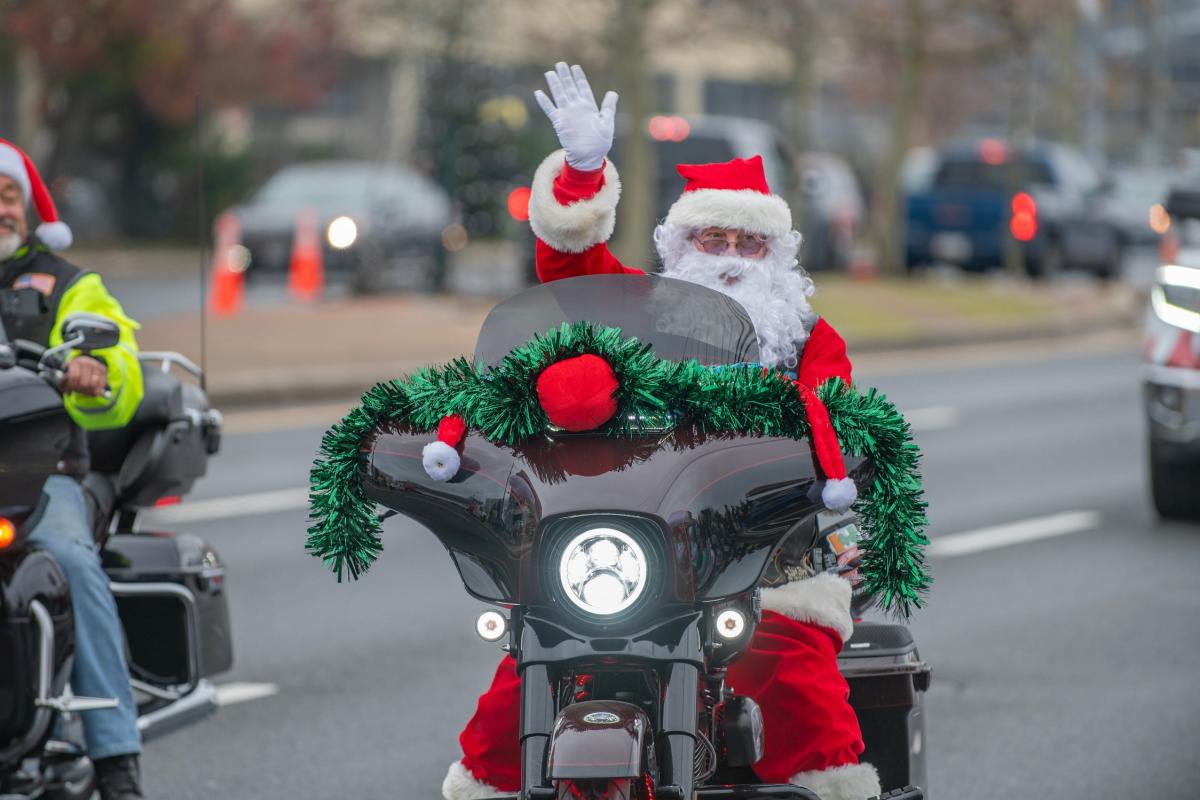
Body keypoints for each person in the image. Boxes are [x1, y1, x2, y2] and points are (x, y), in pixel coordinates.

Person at [440, 65, 880, 800]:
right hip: (621, 556)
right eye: (714, 238)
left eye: (748, 244)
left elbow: (832, 419)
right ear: (682, 246)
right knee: (518, 684)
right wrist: (583, 175)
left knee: (798, 675)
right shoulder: (637, 314)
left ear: (774, 258)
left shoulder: (806, 340)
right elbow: (569, 268)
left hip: (760, 567)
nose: (731, 259)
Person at [0, 139, 148, 800]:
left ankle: (116, 759)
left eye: (7, 196)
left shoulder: (67, 282)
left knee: (70, 558)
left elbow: (125, 372)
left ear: (27, 209)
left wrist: (95, 372)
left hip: (41, 471)